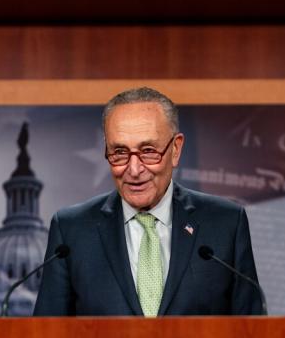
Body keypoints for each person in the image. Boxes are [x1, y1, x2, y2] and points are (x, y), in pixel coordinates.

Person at [33, 86, 263, 317]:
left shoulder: (225, 223)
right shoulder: (72, 230)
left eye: (149, 151)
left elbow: (253, 335)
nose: (134, 169)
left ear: (175, 149)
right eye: (120, 152)